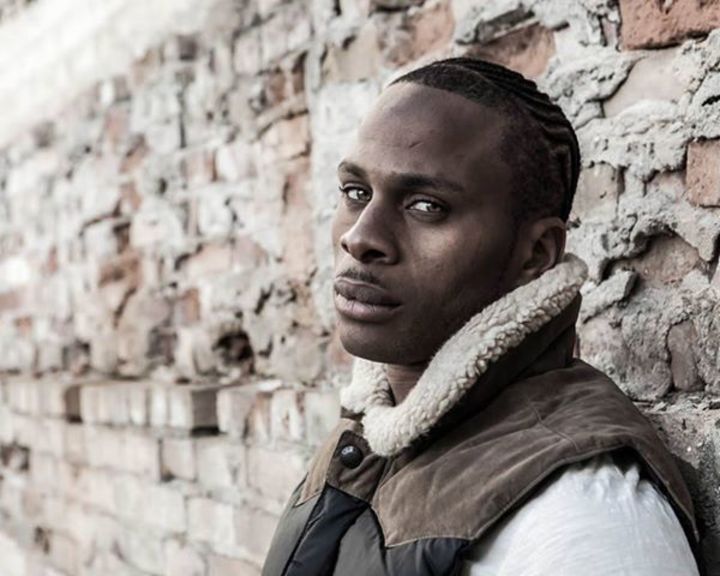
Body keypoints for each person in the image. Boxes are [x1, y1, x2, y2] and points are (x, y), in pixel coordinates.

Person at [261, 57, 701, 576]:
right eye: (356, 193)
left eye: (427, 206)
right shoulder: (372, 431)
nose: (360, 237)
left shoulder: (586, 518)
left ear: (535, 255)